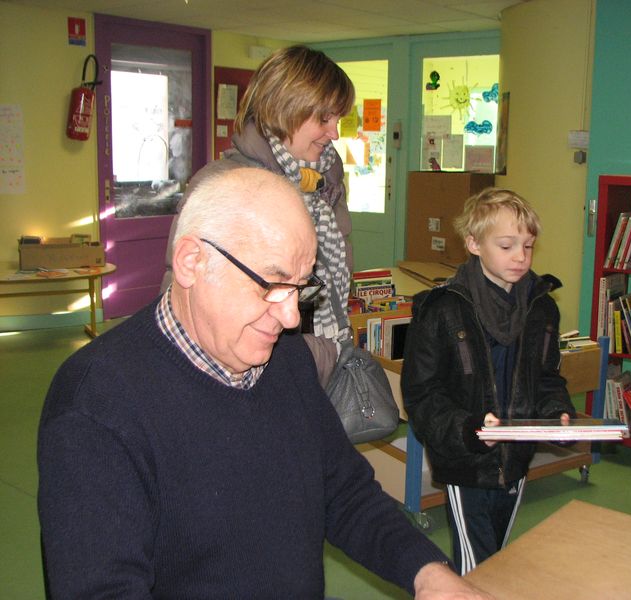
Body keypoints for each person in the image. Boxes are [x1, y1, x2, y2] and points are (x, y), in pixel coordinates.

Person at [38, 168, 494, 600]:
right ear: (192, 262)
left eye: (300, 287)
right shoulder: (96, 403)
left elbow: (344, 492)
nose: (291, 317)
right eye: (271, 284)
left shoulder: (285, 358)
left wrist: (428, 572)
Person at [400, 187, 576, 575]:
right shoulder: (441, 309)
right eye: (507, 246)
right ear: (474, 244)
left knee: (497, 560)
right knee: (476, 569)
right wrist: (470, 430)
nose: (520, 257)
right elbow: (422, 395)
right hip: (466, 463)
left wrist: (557, 413)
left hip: (516, 459)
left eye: (528, 247)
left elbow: (546, 378)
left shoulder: (541, 308)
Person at [162, 45, 355, 386]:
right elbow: (182, 301)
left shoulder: (326, 184)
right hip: (245, 373)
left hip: (318, 363)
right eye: (324, 119)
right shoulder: (226, 184)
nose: (335, 133)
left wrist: (325, 354)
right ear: (286, 108)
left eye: (337, 120)